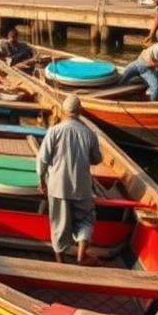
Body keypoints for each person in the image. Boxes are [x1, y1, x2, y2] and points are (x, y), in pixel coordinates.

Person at [36, 94, 102, 265]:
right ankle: (80, 256)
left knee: (58, 224)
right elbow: (96, 159)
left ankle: (60, 262)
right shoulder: (89, 134)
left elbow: (42, 159)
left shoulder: (54, 131)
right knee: (86, 219)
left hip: (58, 187)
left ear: (64, 111)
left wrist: (41, 181)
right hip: (82, 188)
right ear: (80, 111)